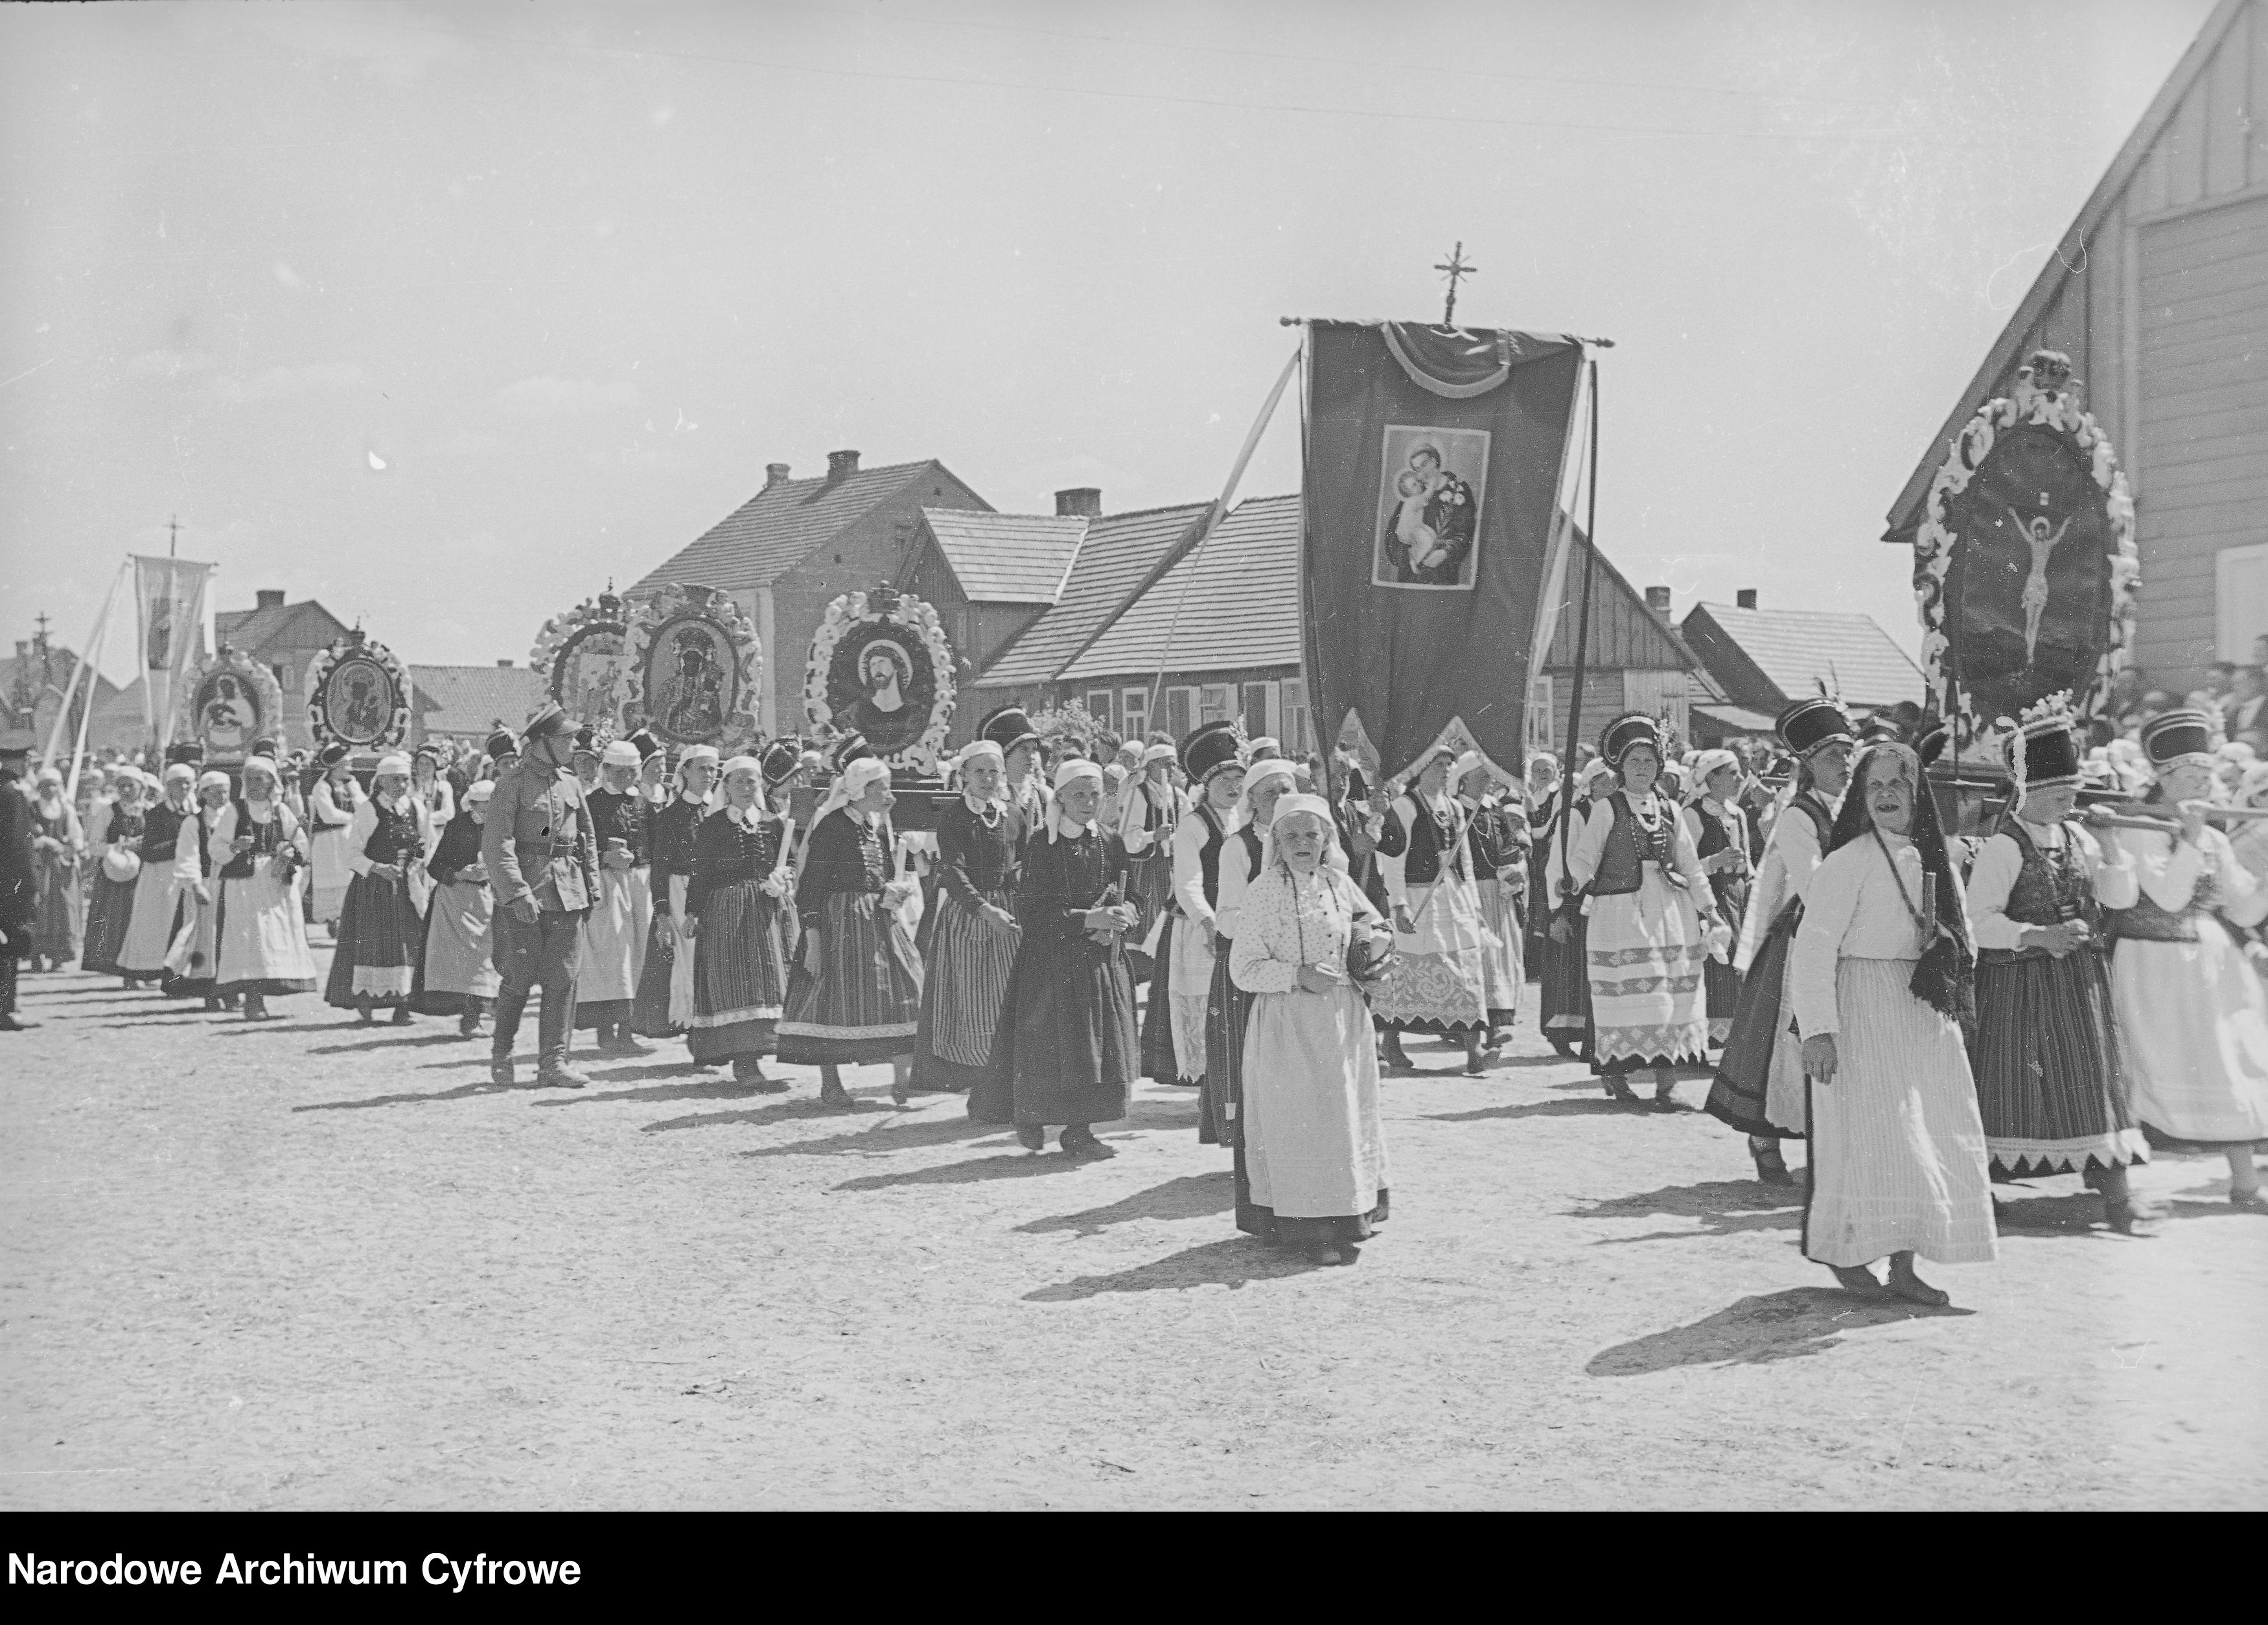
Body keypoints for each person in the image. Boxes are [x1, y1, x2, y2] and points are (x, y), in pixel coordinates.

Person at [1794, 740, 1995, 1304]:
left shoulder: (1936, 860)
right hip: (1860, 1006)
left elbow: (1970, 947)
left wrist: (1946, 945)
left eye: (1897, 785)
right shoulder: (1848, 860)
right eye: (1875, 785)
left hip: (1920, 1011)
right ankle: (1847, 1252)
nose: (1885, 795)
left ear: (1916, 795)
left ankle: (1904, 1266)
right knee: (1877, 1140)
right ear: (1861, 795)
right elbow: (1812, 949)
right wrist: (1818, 1031)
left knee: (1928, 1138)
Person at [1967, 704, 2150, 1228]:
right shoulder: (2004, 846)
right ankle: (1984, 1190)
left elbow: (2118, 898)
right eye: (2057, 796)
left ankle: (2116, 1194)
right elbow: (1978, 921)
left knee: (2092, 1083)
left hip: (2078, 983)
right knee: (2011, 1083)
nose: (2069, 804)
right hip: (2018, 984)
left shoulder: (2081, 839)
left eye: (2071, 795)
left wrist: (2114, 847)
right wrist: (2036, 936)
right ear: (2026, 793)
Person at [2103, 708, 2268, 1207]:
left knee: (2232, 1063)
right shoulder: (2138, 827)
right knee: (2141, 1069)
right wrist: (2192, 837)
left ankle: (2245, 1185)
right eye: (2194, 776)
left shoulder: (2216, 837)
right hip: (2151, 965)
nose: (2206, 785)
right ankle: (2120, 1190)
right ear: (2164, 779)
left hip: (2213, 969)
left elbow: (2243, 908)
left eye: (2209, 776)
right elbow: (2171, 897)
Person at [1230, 794, 1396, 1265]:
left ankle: (1354, 1213)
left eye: (1312, 834)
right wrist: (1295, 975)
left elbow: (1371, 924)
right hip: (1288, 1025)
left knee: (1343, 1115)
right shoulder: (1263, 891)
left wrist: (1375, 950)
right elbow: (1242, 970)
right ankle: (1311, 1229)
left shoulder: (1340, 883)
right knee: (1302, 1124)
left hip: (1342, 1020)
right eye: (1292, 836)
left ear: (1327, 839)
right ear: (1276, 844)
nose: (1303, 843)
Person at [1706, 697, 1855, 1182]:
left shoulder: (1857, 809)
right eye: (1834, 756)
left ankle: (1830, 1149)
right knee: (1785, 1043)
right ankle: (1764, 1137)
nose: (1845, 765)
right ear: (1808, 763)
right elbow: (1813, 886)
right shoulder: (1799, 816)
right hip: (1801, 942)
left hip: (1847, 938)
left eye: (1849, 754)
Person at [971, 758, 1142, 1155]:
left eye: (1095, 794)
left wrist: (1124, 915)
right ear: (1060, 798)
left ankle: (1079, 1131)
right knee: (1047, 1043)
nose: (1088, 803)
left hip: (1099, 961)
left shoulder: (1111, 841)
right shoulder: (1041, 845)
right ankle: (1030, 1114)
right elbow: (1032, 910)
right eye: (1078, 795)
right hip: (1051, 963)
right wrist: (1088, 919)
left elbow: (1133, 894)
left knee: (1093, 1046)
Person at [1564, 714, 1722, 1107]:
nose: (1642, 768)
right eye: (1634, 761)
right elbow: (1584, 858)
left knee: (1670, 995)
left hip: (1671, 911)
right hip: (1621, 914)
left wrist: (1711, 911)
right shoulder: (1606, 809)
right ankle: (1616, 1078)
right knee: (1627, 996)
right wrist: (1572, 880)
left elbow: (1690, 864)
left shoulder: (1670, 809)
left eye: (1649, 761)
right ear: (1619, 765)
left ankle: (1668, 1085)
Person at [778, 755, 923, 1107]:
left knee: (910, 983)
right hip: (840, 922)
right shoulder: (832, 825)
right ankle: (832, 1084)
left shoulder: (877, 824)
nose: (889, 794)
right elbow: (810, 886)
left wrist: (894, 889)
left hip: (878, 919)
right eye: (883, 786)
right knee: (831, 999)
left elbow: (886, 873)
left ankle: (902, 1078)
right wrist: (812, 939)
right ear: (864, 789)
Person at [482, 702, 601, 1089]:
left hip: (569, 893)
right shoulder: (511, 783)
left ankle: (553, 1063)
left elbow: (587, 839)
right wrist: (517, 894)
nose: (573, 744)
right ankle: (502, 1056)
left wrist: (593, 888)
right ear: (541, 742)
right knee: (518, 978)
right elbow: (497, 844)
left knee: (563, 979)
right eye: (565, 738)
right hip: (527, 896)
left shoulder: (571, 783)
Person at [1208, 756, 1297, 1215]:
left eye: (1288, 790)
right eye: (1271, 794)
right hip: (1255, 968)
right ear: (1253, 803)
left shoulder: (1309, 840)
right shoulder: (1237, 847)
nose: (1281, 801)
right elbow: (1226, 917)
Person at [913, 734, 1027, 1095]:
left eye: (994, 771)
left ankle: (1005, 1078)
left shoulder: (1014, 815)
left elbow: (1025, 862)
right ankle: (978, 1082)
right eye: (980, 772)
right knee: (974, 999)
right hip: (969, 915)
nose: (988, 779)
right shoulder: (956, 817)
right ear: (964, 775)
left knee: (1009, 996)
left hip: (1009, 914)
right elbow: (952, 870)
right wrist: (983, 908)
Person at [1371, 744, 1492, 1073]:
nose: (1447, 770)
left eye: (1450, 765)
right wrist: (1398, 905)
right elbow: (1393, 860)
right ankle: (1391, 1044)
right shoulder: (1405, 806)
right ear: (1421, 768)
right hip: (1418, 897)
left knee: (1466, 970)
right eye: (1439, 764)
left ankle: (1474, 1050)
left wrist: (1475, 906)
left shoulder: (1454, 807)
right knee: (1407, 971)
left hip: (1455, 900)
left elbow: (1464, 857)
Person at [1142, 722, 1244, 1090]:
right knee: (1202, 1003)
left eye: (1238, 779)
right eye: (1224, 781)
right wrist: (1207, 920)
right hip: (1199, 928)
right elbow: (1187, 883)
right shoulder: (1194, 825)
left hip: (1237, 925)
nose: (1234, 787)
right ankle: (1207, 1083)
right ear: (1205, 785)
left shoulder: (1244, 820)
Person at [683, 755, 793, 1082]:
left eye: (752, 781)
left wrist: (783, 879)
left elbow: (790, 863)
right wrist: (693, 911)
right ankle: (743, 1060)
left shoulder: (773, 823)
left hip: (767, 912)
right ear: (726, 787)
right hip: (726, 911)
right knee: (733, 981)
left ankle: (763, 1050)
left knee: (767, 981)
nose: (746, 788)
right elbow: (700, 871)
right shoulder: (713, 825)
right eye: (739, 782)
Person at [210, 753, 318, 1020]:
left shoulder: (281, 811)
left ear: (272, 782)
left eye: (260, 779)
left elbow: (301, 842)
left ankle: (273, 988)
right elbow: (215, 847)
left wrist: (290, 851)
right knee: (251, 940)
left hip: (275, 883)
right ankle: (252, 1001)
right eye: (250, 779)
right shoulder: (235, 810)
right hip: (246, 884)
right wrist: (235, 847)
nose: (255, 784)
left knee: (274, 938)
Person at [324, 752, 430, 1024]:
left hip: (407, 887)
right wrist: (377, 868)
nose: (402, 785)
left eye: (406, 780)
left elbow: (427, 844)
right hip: (373, 889)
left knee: (410, 942)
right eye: (396, 780)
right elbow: (352, 854)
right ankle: (366, 1000)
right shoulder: (368, 810)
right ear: (381, 781)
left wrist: (419, 862)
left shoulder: (416, 808)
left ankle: (403, 1005)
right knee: (373, 942)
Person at [631, 743, 719, 1043]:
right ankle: (691, 1026)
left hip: (715, 892)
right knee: (689, 959)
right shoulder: (671, 815)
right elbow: (660, 865)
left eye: (712, 769)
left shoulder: (719, 810)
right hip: (681, 890)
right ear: (685, 772)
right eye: (701, 769)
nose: (708, 775)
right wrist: (662, 910)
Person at [573, 739, 652, 1057]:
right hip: (606, 883)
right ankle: (607, 1029)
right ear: (606, 770)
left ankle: (628, 1029)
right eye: (618, 771)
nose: (625, 777)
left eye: (631, 772)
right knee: (610, 956)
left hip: (640, 882)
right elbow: (569, 841)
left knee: (639, 955)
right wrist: (604, 857)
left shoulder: (645, 803)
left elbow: (655, 841)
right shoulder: (590, 802)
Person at [415, 778, 502, 1037]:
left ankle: (488, 1013)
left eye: (490, 807)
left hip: (488, 899)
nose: (485, 812)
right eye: (480, 807)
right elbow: (435, 867)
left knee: (487, 958)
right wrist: (460, 873)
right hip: (456, 902)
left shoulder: (502, 826)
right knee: (465, 962)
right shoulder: (457, 826)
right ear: (470, 804)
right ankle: (470, 1018)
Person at [1537, 757, 1610, 1059]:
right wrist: (1558, 913)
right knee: (1570, 968)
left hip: (1600, 899)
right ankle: (1561, 1032)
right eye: (1608, 782)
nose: (1615, 787)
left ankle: (1590, 1036)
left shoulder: (1608, 814)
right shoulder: (1576, 816)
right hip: (1573, 903)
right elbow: (1558, 864)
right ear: (1592, 785)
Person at [1456, 752, 1527, 1051]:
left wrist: (1515, 871)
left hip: (1498, 895)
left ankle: (1498, 1026)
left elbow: (1512, 848)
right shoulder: (1456, 810)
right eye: (1481, 777)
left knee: (1500, 959)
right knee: (1478, 961)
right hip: (1470, 893)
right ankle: (1475, 1028)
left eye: (1489, 776)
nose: (1487, 782)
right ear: (1463, 780)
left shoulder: (1494, 810)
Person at [1682, 749, 1751, 1048]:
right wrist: (1716, 860)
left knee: (1740, 961)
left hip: (1738, 896)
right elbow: (1682, 866)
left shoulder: (1738, 814)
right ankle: (1711, 1037)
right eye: (1732, 773)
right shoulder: (1692, 814)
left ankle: (1733, 1039)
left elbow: (1748, 864)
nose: (1740, 779)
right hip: (1709, 898)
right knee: (1716, 963)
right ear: (1711, 778)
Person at [117, 762, 198, 987]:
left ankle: (174, 972)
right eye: (178, 783)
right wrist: (180, 845)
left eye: (187, 783)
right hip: (160, 876)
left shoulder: (196, 811)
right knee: (152, 924)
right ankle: (136, 972)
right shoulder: (157, 814)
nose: (183, 787)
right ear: (168, 786)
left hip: (186, 874)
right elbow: (149, 850)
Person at [170, 770, 234, 1008]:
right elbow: (187, 856)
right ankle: (210, 991)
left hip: (234, 884)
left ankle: (231, 989)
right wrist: (196, 885)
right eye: (215, 793)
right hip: (207, 884)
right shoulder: (193, 822)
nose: (221, 797)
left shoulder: (237, 818)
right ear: (204, 794)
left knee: (231, 937)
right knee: (206, 940)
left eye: (225, 792)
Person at [1118, 739, 1185, 949]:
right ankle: (1141, 961)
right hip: (1147, 866)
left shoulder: (1177, 794)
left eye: (1173, 764)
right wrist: (1154, 836)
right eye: (1166, 764)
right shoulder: (1138, 793)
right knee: (1148, 910)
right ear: (1152, 766)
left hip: (1172, 863)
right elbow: (1129, 833)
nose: (1171, 769)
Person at [80, 768, 146, 980]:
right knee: (118, 920)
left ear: (141, 787)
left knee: (142, 919)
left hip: (145, 873)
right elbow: (93, 846)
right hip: (115, 875)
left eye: (131, 785)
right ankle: (121, 970)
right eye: (122, 785)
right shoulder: (108, 812)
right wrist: (118, 847)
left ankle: (141, 969)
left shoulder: (151, 811)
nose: (126, 790)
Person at [27, 766, 84, 973]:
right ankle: (35, 956)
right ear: (39, 788)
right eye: (45, 785)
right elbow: (24, 834)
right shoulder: (31, 809)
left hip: (62, 865)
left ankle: (59, 956)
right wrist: (41, 841)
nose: (50, 789)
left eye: (54, 785)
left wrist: (70, 846)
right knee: (39, 906)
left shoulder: (66, 809)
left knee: (63, 908)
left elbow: (77, 836)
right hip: (38, 864)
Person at [305, 746, 362, 934]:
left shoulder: (350, 786)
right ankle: (333, 919)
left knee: (348, 877)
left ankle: (348, 919)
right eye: (347, 764)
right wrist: (354, 818)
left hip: (348, 837)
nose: (351, 768)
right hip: (328, 840)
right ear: (337, 766)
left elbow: (364, 807)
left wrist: (355, 791)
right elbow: (329, 815)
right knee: (332, 878)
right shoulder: (322, 787)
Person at [0, 746, 32, 1031]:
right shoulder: (12, 793)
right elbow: (18, 847)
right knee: (8, 946)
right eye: (25, 759)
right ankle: (6, 1010)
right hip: (9, 885)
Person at [411, 744, 455, 860]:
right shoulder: (410, 786)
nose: (424, 768)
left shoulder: (443, 787)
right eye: (421, 763)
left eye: (428, 764)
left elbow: (448, 813)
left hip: (437, 835)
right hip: (413, 835)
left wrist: (425, 819)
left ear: (435, 766)